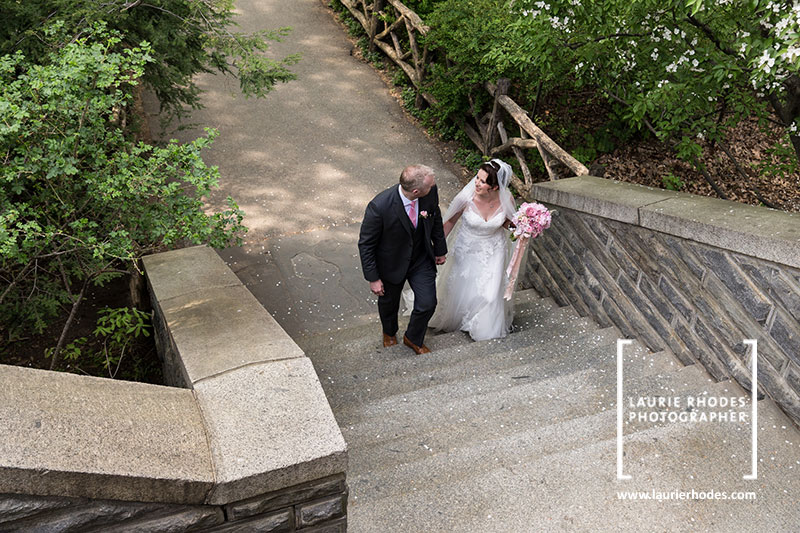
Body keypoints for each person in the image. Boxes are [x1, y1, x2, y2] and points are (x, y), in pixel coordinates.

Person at [358, 164, 447, 354]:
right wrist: (373, 278)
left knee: (427, 303)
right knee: (389, 304)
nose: (433, 187)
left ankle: (413, 338)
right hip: (390, 263)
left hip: (421, 258)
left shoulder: (430, 192)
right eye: (429, 186)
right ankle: (389, 333)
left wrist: (440, 249)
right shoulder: (379, 206)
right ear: (416, 191)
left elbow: (435, 217)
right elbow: (366, 244)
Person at [428, 159, 516, 341]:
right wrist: (436, 248)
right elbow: (450, 221)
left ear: (495, 187)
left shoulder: (506, 199)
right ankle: (463, 318)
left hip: (494, 250)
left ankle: (484, 326)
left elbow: (508, 223)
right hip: (467, 248)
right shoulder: (465, 198)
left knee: (490, 294)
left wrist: (525, 228)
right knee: (464, 288)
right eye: (477, 178)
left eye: (483, 181)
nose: (476, 183)